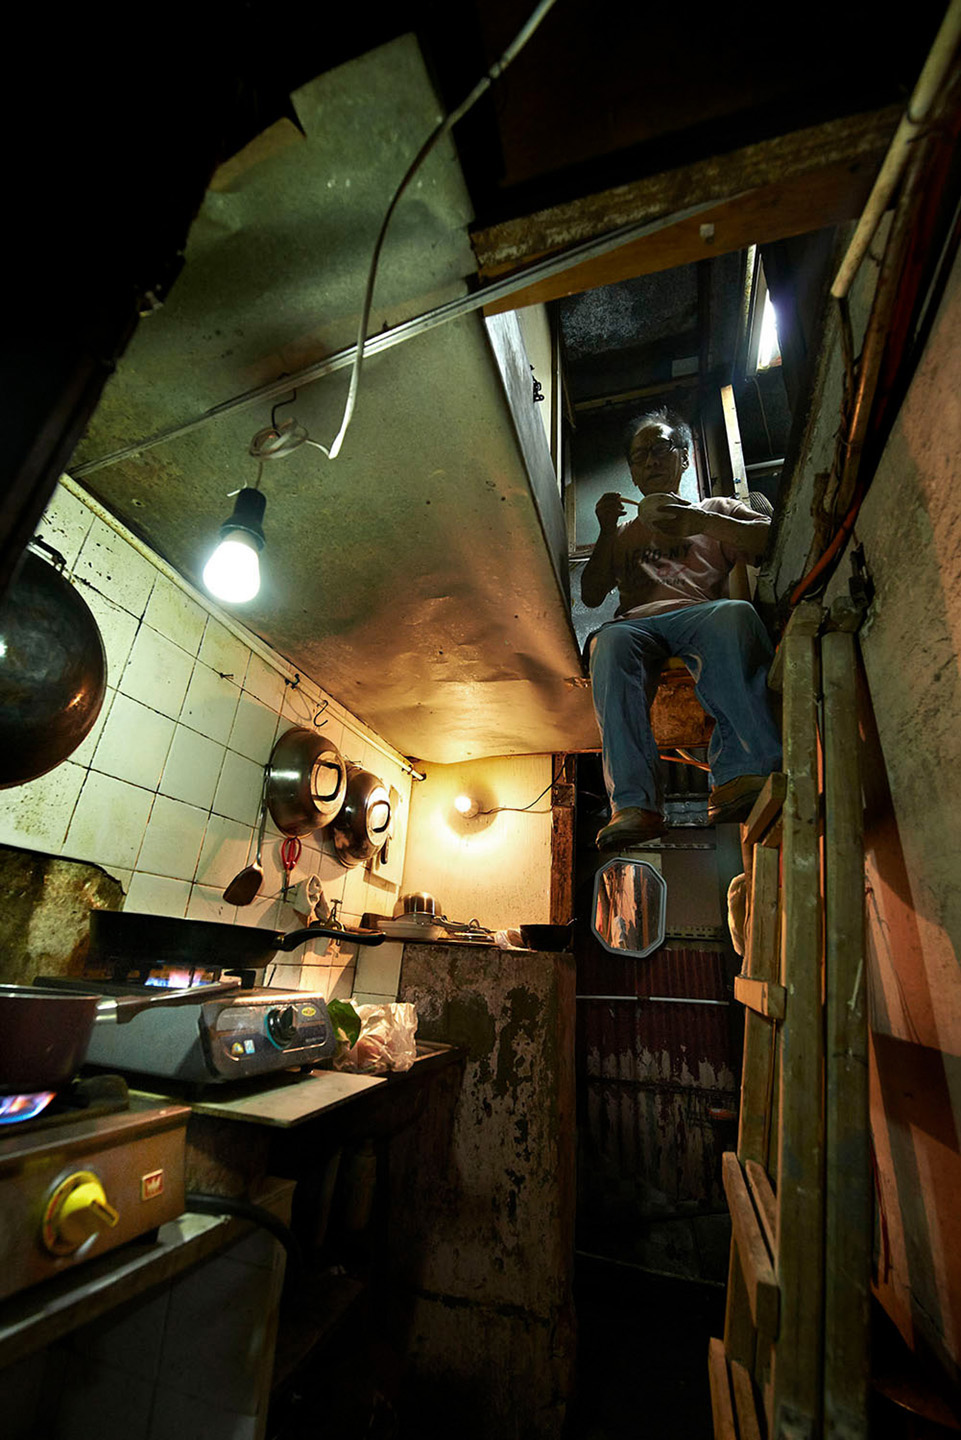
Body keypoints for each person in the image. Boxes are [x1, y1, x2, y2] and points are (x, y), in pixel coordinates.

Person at [581, 407, 782, 850]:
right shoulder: (625, 532)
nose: (651, 460)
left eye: (661, 449)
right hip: (637, 626)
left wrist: (702, 523)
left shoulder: (715, 510)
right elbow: (592, 595)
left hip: (699, 614)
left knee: (735, 614)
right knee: (607, 643)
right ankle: (634, 804)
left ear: (685, 460)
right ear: (633, 474)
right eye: (640, 456)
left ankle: (744, 773)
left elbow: (770, 540)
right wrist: (605, 529)